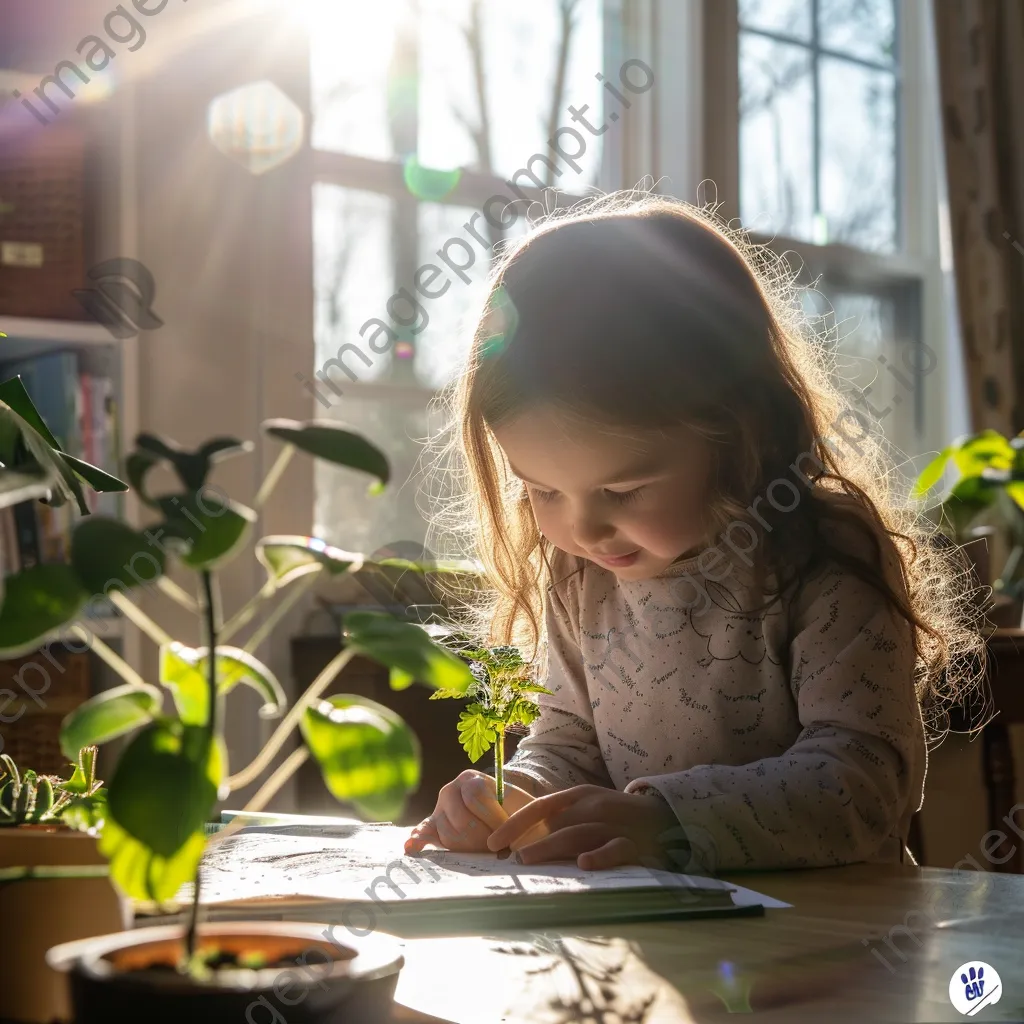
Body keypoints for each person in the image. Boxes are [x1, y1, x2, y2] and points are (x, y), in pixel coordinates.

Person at [403, 192, 984, 874]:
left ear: (744, 434)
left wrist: (669, 821)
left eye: (622, 490)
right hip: (662, 935)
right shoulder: (580, 573)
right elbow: (567, 743)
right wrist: (518, 799)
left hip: (839, 931)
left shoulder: (825, 556)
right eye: (541, 489)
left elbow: (863, 780)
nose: (581, 527)